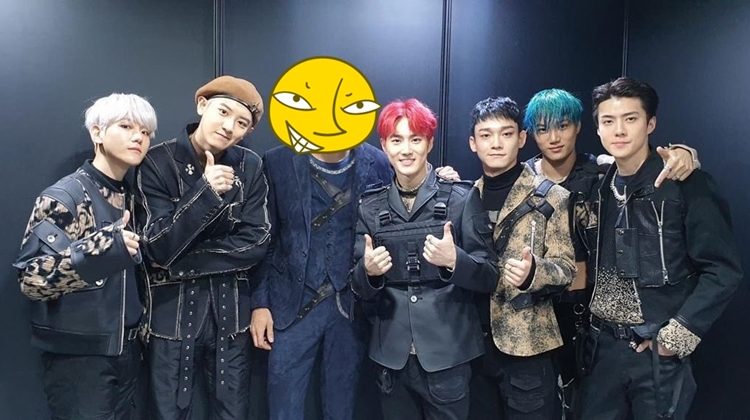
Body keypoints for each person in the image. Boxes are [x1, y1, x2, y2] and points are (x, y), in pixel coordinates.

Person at [521, 88, 699, 417]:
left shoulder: (603, 173)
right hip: (539, 318)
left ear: (579, 127)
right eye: (543, 129)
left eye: (563, 125)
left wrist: (682, 153)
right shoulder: (522, 180)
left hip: (596, 321)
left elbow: (644, 163)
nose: (554, 137)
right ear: (530, 134)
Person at [577, 77, 743, 419]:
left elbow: (722, 269)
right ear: (598, 129)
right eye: (608, 121)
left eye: (631, 118)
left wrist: (674, 338)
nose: (619, 130)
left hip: (655, 352)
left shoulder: (685, 184)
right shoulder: (597, 187)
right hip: (601, 350)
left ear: (650, 124)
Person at [351, 98, 498, 420]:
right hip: (391, 357)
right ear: (384, 146)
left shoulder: (461, 198)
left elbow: (490, 274)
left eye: (415, 139)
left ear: (429, 143)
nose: (406, 150)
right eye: (396, 140)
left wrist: (455, 261)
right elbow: (357, 287)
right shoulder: (370, 207)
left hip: (448, 355)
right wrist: (369, 272)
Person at [14, 93, 157, 419]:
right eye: (126, 126)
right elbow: (31, 279)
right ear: (97, 132)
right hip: (80, 359)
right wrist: (101, 249)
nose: (138, 137)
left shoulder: (134, 198)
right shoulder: (66, 196)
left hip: (128, 352)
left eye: (146, 132)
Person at [136, 75, 270, 419]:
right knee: (168, 412)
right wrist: (205, 193)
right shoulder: (157, 161)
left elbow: (257, 240)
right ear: (202, 105)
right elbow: (157, 245)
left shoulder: (250, 165)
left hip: (231, 313)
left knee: (233, 411)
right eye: (223, 112)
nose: (229, 127)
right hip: (171, 314)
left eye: (241, 123)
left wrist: (181, 263)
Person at [466, 96, 575, 419]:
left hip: (528, 344)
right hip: (472, 345)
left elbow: (566, 268)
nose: (496, 143)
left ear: (522, 138)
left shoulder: (552, 195)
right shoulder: (464, 196)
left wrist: (534, 273)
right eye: (486, 135)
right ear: (473, 143)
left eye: (506, 133)